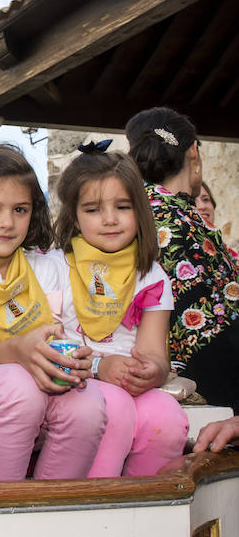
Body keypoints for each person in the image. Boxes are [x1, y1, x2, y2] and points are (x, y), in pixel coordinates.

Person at [0, 139, 106, 481]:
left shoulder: (45, 267)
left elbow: (59, 339)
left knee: (87, 402)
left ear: (33, 211)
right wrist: (18, 351)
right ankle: (2, 507)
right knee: (18, 386)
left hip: (34, 377)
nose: (7, 223)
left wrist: (75, 360)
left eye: (20, 210)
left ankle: (53, 512)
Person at [52, 143, 187, 476]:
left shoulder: (150, 276)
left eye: (123, 207)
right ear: (73, 215)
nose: (110, 220)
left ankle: (146, 517)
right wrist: (99, 366)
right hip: (74, 385)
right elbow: (47, 344)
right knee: (115, 408)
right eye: (93, 209)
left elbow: (155, 353)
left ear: (139, 211)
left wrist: (152, 371)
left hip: (131, 386)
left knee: (168, 421)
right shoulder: (54, 268)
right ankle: (97, 513)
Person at [125, 108, 239, 412]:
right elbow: (204, 328)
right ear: (193, 151)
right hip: (203, 383)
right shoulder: (180, 221)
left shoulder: (133, 211)